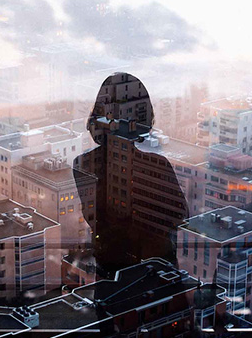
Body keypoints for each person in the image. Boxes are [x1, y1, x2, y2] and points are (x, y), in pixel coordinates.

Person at [74, 72, 188, 274]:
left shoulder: (83, 164)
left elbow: (95, 219)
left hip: (109, 268)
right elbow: (181, 216)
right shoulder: (157, 165)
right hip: (156, 271)